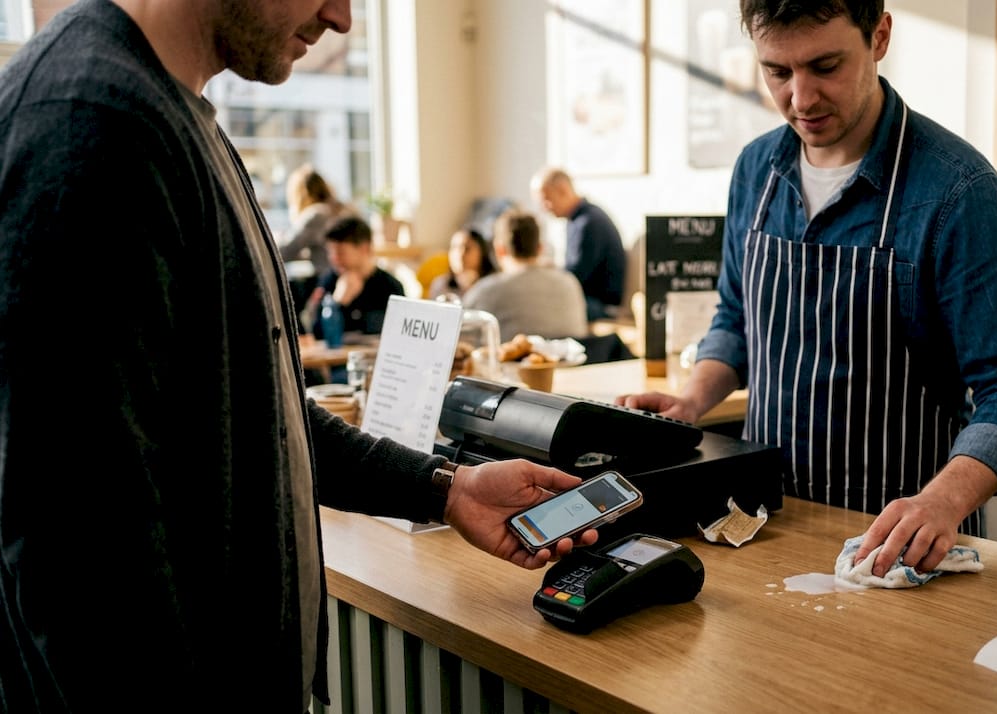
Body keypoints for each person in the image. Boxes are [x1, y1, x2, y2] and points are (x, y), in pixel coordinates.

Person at [0, 2, 596, 712]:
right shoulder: (90, 125)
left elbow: (264, 412)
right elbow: (71, 551)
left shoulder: (169, 111)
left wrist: (446, 489)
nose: (343, 17)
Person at [618, 1, 997, 580]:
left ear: (879, 36)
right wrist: (691, 401)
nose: (801, 98)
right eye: (777, 72)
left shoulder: (957, 190)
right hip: (763, 529)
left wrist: (943, 500)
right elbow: (736, 319)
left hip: (898, 555)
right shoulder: (756, 169)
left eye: (825, 66)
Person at [463, 210, 589, 342]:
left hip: (510, 362)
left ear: (500, 250)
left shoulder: (484, 291)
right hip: (578, 361)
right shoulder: (570, 282)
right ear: (540, 248)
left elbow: (460, 342)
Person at [530, 167, 627, 322]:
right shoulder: (579, 220)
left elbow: (575, 277)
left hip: (601, 306)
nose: (544, 208)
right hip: (590, 300)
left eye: (546, 199)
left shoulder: (588, 223)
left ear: (563, 191)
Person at [309, 214, 406, 342]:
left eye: (340, 252)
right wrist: (338, 303)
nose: (334, 258)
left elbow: (397, 329)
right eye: (330, 252)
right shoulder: (328, 281)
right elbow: (317, 333)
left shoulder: (390, 286)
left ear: (364, 249)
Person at [277, 163, 346, 277]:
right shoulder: (341, 209)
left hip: (330, 281)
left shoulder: (316, 215)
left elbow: (283, 252)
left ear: (299, 195)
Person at [428, 227, 499, 300]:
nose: (460, 254)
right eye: (455, 247)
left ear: (482, 252)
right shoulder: (440, 285)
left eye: (467, 248)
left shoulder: (494, 285)